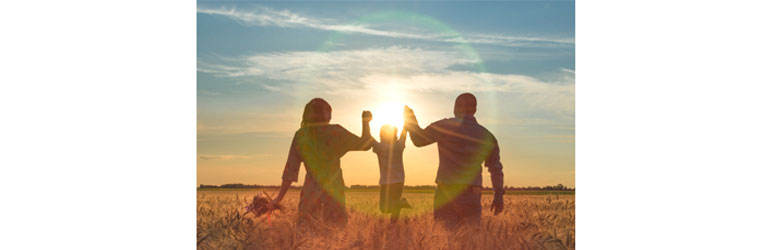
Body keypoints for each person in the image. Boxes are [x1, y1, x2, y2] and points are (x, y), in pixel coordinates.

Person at [404, 93, 505, 230]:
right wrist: (498, 197)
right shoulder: (487, 136)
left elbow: (418, 140)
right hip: (472, 195)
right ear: (475, 109)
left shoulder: (444, 126)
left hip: (446, 193)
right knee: (470, 241)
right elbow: (495, 169)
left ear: (456, 107)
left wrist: (410, 120)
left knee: (445, 240)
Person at [268, 98, 373, 226]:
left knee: (306, 235)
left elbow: (290, 170)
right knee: (335, 236)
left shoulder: (301, 135)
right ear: (325, 113)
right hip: (334, 194)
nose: (330, 115)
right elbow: (365, 145)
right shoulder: (335, 131)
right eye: (329, 111)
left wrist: (278, 198)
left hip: (310, 194)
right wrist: (366, 122)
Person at [371, 123, 412, 222]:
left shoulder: (379, 147)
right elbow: (404, 133)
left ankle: (401, 204)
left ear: (381, 135)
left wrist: (366, 122)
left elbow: (368, 138)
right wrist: (407, 121)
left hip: (386, 181)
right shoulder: (398, 145)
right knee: (395, 207)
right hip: (399, 180)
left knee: (384, 208)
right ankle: (393, 226)